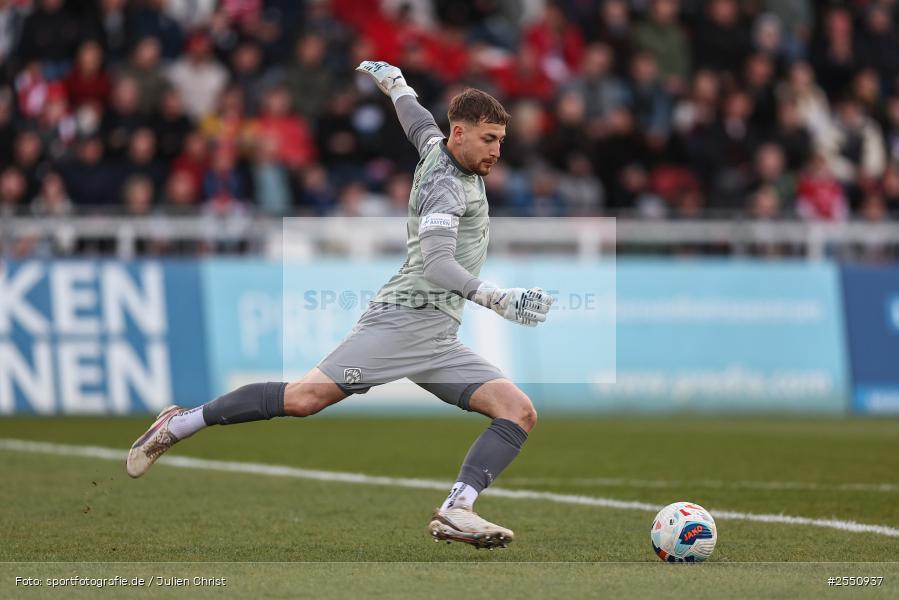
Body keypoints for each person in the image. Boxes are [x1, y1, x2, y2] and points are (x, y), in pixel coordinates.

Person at [126, 61, 554, 549]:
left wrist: (396, 86)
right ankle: (180, 422)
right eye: (489, 139)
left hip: (437, 336)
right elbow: (437, 265)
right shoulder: (446, 188)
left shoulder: (439, 148)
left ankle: (458, 509)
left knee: (518, 411)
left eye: (500, 140)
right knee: (304, 400)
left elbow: (417, 122)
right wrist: (496, 298)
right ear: (460, 134)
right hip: (401, 323)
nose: (498, 151)